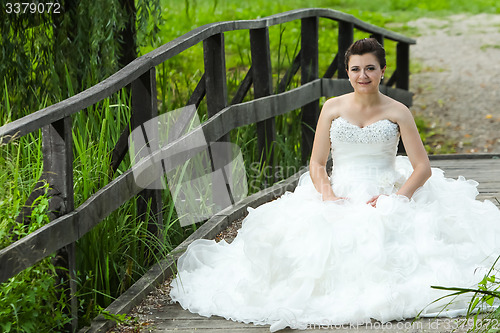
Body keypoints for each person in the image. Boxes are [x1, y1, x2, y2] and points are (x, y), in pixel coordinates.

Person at [170, 38, 500, 332]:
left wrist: (396, 199)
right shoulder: (332, 107)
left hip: (385, 190)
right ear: (348, 72)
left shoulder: (398, 111)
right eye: (356, 69)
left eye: (370, 68)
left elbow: (422, 168)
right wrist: (327, 193)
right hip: (339, 188)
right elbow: (316, 164)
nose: (363, 76)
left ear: (383, 70)